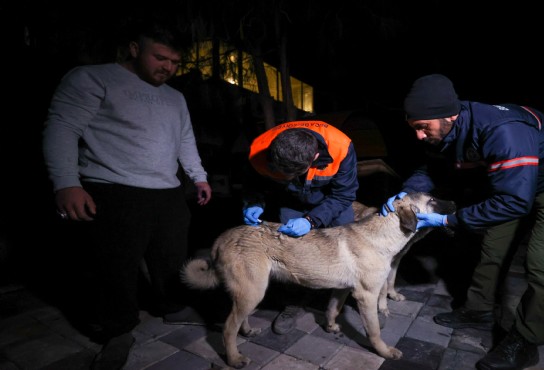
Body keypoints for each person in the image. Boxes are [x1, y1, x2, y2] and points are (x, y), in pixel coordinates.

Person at [381, 74, 544, 370]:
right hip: (514, 183)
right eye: (414, 128)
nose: (419, 135)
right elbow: (432, 168)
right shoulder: (445, 128)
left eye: (422, 128)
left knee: (542, 261)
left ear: (449, 116)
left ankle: (527, 340)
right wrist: (408, 190)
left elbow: (515, 201)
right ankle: (478, 310)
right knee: (493, 247)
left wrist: (448, 219)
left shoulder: (503, 131)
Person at [42, 16, 212, 370]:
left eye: (175, 62)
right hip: (112, 188)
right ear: (135, 49)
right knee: (114, 265)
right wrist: (66, 183)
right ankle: (118, 329)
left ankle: (169, 305)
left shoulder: (175, 97)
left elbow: (184, 140)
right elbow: (62, 128)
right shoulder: (92, 78)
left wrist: (199, 176)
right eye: (160, 58)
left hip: (167, 191)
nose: (168, 67)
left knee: (170, 255)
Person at [242, 120, 359, 334]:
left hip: (331, 199)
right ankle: (293, 301)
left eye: (291, 174)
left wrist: (311, 221)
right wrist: (254, 203)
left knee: (346, 249)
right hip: (292, 200)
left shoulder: (341, 146)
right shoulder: (259, 148)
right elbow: (253, 184)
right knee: (291, 252)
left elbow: (344, 194)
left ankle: (342, 301)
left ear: (314, 158)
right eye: (279, 172)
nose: (282, 176)